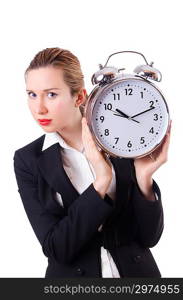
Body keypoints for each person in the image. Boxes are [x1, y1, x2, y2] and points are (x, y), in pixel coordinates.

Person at [13, 47, 171, 278]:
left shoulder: (123, 139)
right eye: (32, 94)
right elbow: (56, 248)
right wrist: (102, 181)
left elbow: (149, 238)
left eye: (51, 94)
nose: (39, 108)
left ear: (79, 97)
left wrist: (144, 181)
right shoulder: (29, 160)